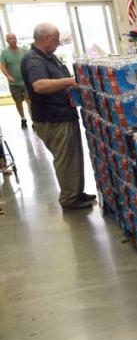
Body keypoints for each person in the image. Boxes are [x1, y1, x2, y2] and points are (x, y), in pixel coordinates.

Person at [21, 22, 95, 210]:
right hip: (53, 119)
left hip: (63, 114)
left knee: (73, 157)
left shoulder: (48, 57)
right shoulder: (34, 60)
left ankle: (75, 192)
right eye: (56, 39)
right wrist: (70, 81)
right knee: (66, 159)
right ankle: (70, 199)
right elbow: (39, 85)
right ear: (45, 38)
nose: (58, 43)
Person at [1, 33, 29, 129]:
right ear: (7, 40)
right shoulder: (4, 53)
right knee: (18, 102)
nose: (13, 40)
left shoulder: (23, 51)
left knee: (30, 100)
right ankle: (23, 118)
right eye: (11, 38)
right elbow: (2, 66)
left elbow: (29, 62)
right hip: (14, 84)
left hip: (26, 82)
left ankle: (34, 120)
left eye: (14, 38)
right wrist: (8, 75)